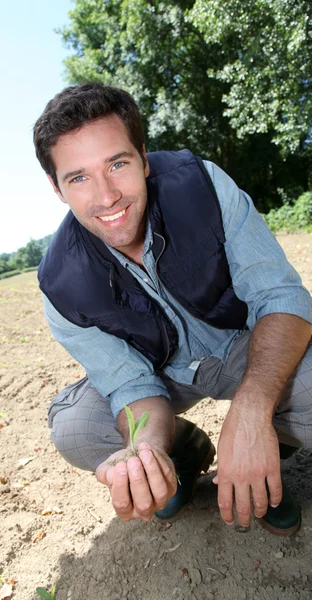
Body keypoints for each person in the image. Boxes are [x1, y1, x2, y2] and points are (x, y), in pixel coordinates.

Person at [33, 82, 312, 536]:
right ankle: (184, 454)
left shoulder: (201, 184)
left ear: (143, 158)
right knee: (77, 427)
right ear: (57, 188)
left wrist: (253, 409)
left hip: (248, 344)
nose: (106, 196)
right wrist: (146, 451)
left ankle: (265, 454)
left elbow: (279, 297)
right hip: (166, 377)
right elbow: (130, 384)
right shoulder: (60, 284)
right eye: (78, 177)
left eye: (117, 164)